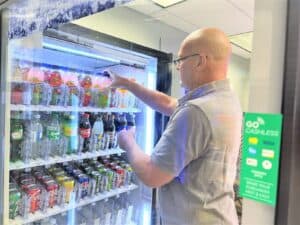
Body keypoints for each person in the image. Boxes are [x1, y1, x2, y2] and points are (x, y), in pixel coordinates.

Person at [108, 27, 242, 225]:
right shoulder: (225, 100)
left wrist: (128, 143)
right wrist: (128, 84)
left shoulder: (197, 112)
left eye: (181, 60)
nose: (178, 67)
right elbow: (171, 104)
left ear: (200, 61)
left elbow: (152, 174)